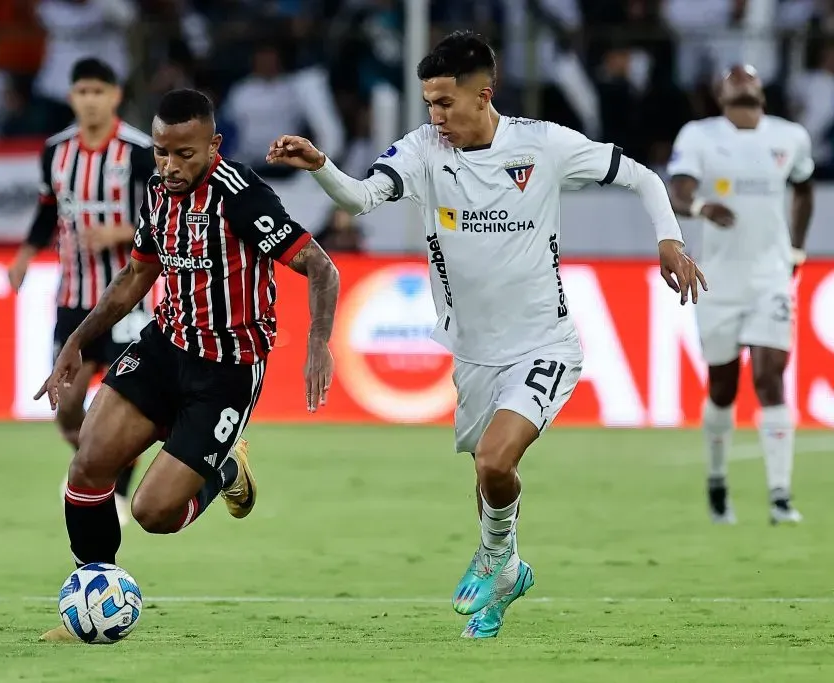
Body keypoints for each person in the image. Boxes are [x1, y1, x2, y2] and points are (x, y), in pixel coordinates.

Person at [266, 31, 705, 639]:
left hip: (543, 344)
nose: (435, 116)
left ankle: (495, 558)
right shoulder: (422, 150)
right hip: (472, 353)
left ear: (483, 95)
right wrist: (321, 166)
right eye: (429, 103)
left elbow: (643, 178)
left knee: (498, 460)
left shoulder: (543, 145)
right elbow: (362, 198)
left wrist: (669, 239)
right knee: (488, 476)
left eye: (446, 102)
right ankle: (507, 577)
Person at [35, 88, 340, 641]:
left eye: (185, 154)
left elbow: (321, 267)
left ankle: (225, 469)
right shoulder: (158, 192)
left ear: (213, 146)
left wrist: (319, 343)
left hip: (225, 371)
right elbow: (136, 275)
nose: (171, 166)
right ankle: (91, 596)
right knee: (87, 468)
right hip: (164, 349)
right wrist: (76, 341)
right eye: (161, 152)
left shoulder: (242, 196)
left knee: (153, 514)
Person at [8, 57, 155, 526]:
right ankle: (101, 464)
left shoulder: (140, 152)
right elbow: (47, 209)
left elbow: (165, 218)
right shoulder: (56, 152)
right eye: (82, 92)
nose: (90, 100)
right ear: (71, 97)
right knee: (68, 408)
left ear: (115, 96)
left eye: (98, 92)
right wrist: (25, 255)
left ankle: (115, 489)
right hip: (73, 298)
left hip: (129, 300)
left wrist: (119, 234)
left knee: (126, 401)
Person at [667, 65, 814, 526]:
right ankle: (717, 483)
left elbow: (804, 189)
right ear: (720, 94)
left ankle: (780, 497)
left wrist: (796, 249)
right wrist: (700, 207)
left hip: (770, 278)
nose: (742, 83)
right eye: (733, 80)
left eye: (748, 79)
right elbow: (678, 191)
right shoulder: (700, 135)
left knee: (770, 378)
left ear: (762, 92)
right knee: (723, 386)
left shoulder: (790, 137)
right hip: (718, 282)